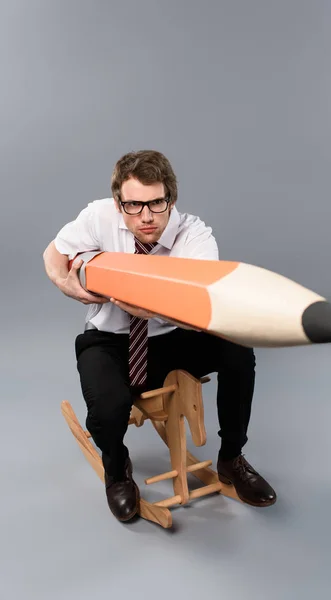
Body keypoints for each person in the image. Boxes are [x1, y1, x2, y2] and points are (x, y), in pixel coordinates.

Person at [43, 149, 276, 522]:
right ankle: (117, 471)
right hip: (110, 339)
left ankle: (232, 458)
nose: (147, 216)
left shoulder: (195, 237)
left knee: (237, 346)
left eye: (156, 203)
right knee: (107, 409)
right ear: (119, 203)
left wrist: (145, 305)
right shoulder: (97, 217)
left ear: (171, 198)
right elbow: (51, 257)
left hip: (175, 335)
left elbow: (196, 305)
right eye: (134, 205)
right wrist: (71, 287)